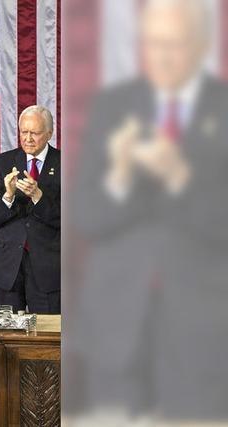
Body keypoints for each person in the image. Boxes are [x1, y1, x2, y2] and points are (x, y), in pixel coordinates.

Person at [67, 0, 228, 420]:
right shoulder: (113, 106)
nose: (162, 55)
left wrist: (179, 178)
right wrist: (119, 175)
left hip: (201, 333)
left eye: (173, 43)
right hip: (118, 327)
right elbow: (85, 215)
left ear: (200, 44)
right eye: (153, 43)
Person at [0, 106, 61, 313]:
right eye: (23, 132)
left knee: (47, 335)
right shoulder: (4, 162)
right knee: (6, 334)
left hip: (48, 266)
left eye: (34, 133)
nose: (28, 138)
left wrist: (38, 197)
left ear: (49, 134)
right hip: (7, 266)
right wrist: (7, 196)